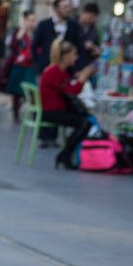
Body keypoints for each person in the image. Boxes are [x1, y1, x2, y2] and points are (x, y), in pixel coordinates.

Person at [37, 39, 98, 169]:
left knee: (84, 121)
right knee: (84, 124)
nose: (76, 58)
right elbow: (72, 91)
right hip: (51, 112)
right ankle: (65, 154)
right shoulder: (55, 72)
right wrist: (82, 79)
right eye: (74, 54)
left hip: (56, 110)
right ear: (66, 56)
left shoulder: (60, 71)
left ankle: (66, 154)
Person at [71, 2, 103, 77]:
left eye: (95, 18)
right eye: (91, 17)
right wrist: (83, 45)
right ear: (85, 13)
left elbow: (96, 46)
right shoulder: (71, 25)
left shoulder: (94, 30)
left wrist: (96, 51)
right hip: (72, 67)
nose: (93, 20)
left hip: (87, 69)